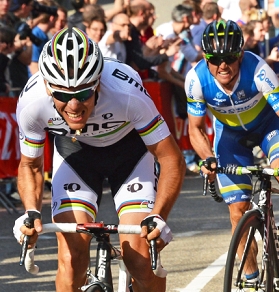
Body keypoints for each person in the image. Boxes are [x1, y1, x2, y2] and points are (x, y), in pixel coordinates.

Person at [12, 27, 186, 292]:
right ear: (47, 86)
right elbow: (31, 165)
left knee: (140, 260)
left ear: (98, 84)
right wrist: (31, 212)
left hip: (129, 154)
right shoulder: (32, 101)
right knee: (71, 261)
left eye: (83, 94)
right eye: (61, 96)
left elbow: (170, 157)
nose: (73, 106)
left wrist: (158, 216)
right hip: (76, 155)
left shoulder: (126, 91)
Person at [186, 20, 279, 282]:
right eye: (215, 59)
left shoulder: (258, 70)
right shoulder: (196, 80)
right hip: (231, 137)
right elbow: (195, 130)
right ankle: (250, 280)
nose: (223, 65)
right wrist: (208, 159)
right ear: (205, 57)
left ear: (240, 54)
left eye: (230, 57)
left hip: (269, 127)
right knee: (237, 211)